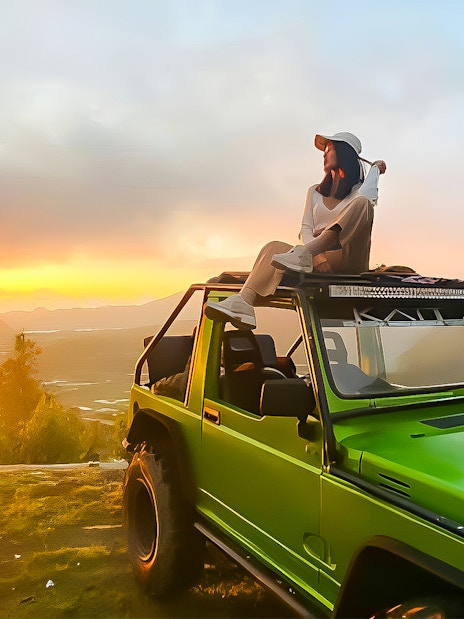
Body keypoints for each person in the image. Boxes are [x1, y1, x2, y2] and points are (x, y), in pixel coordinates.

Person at [205, 131, 386, 330]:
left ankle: (305, 253)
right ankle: (244, 302)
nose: (323, 154)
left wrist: (375, 169)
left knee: (363, 204)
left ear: (344, 153)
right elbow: (305, 229)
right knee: (273, 247)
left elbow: (369, 199)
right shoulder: (314, 192)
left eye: (328, 148)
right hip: (318, 257)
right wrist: (318, 258)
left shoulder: (358, 193)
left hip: (350, 258)